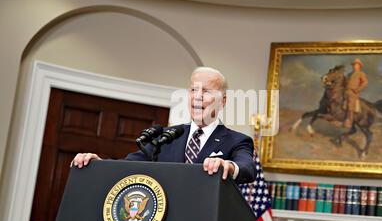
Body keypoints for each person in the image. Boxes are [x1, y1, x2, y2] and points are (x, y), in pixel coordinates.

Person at [71, 67, 256, 184]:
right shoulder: (166, 136)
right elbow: (127, 166)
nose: (197, 96)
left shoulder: (237, 141)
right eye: (193, 90)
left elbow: (247, 168)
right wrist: (97, 164)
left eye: (206, 91)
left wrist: (228, 166)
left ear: (222, 101)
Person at [343, 58, 368, 129]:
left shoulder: (361, 74)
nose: (354, 66)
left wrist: (358, 89)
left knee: (350, 105)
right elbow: (345, 82)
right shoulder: (349, 74)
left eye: (356, 65)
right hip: (346, 91)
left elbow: (365, 82)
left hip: (353, 93)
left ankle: (349, 122)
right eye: (354, 65)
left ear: (359, 66)